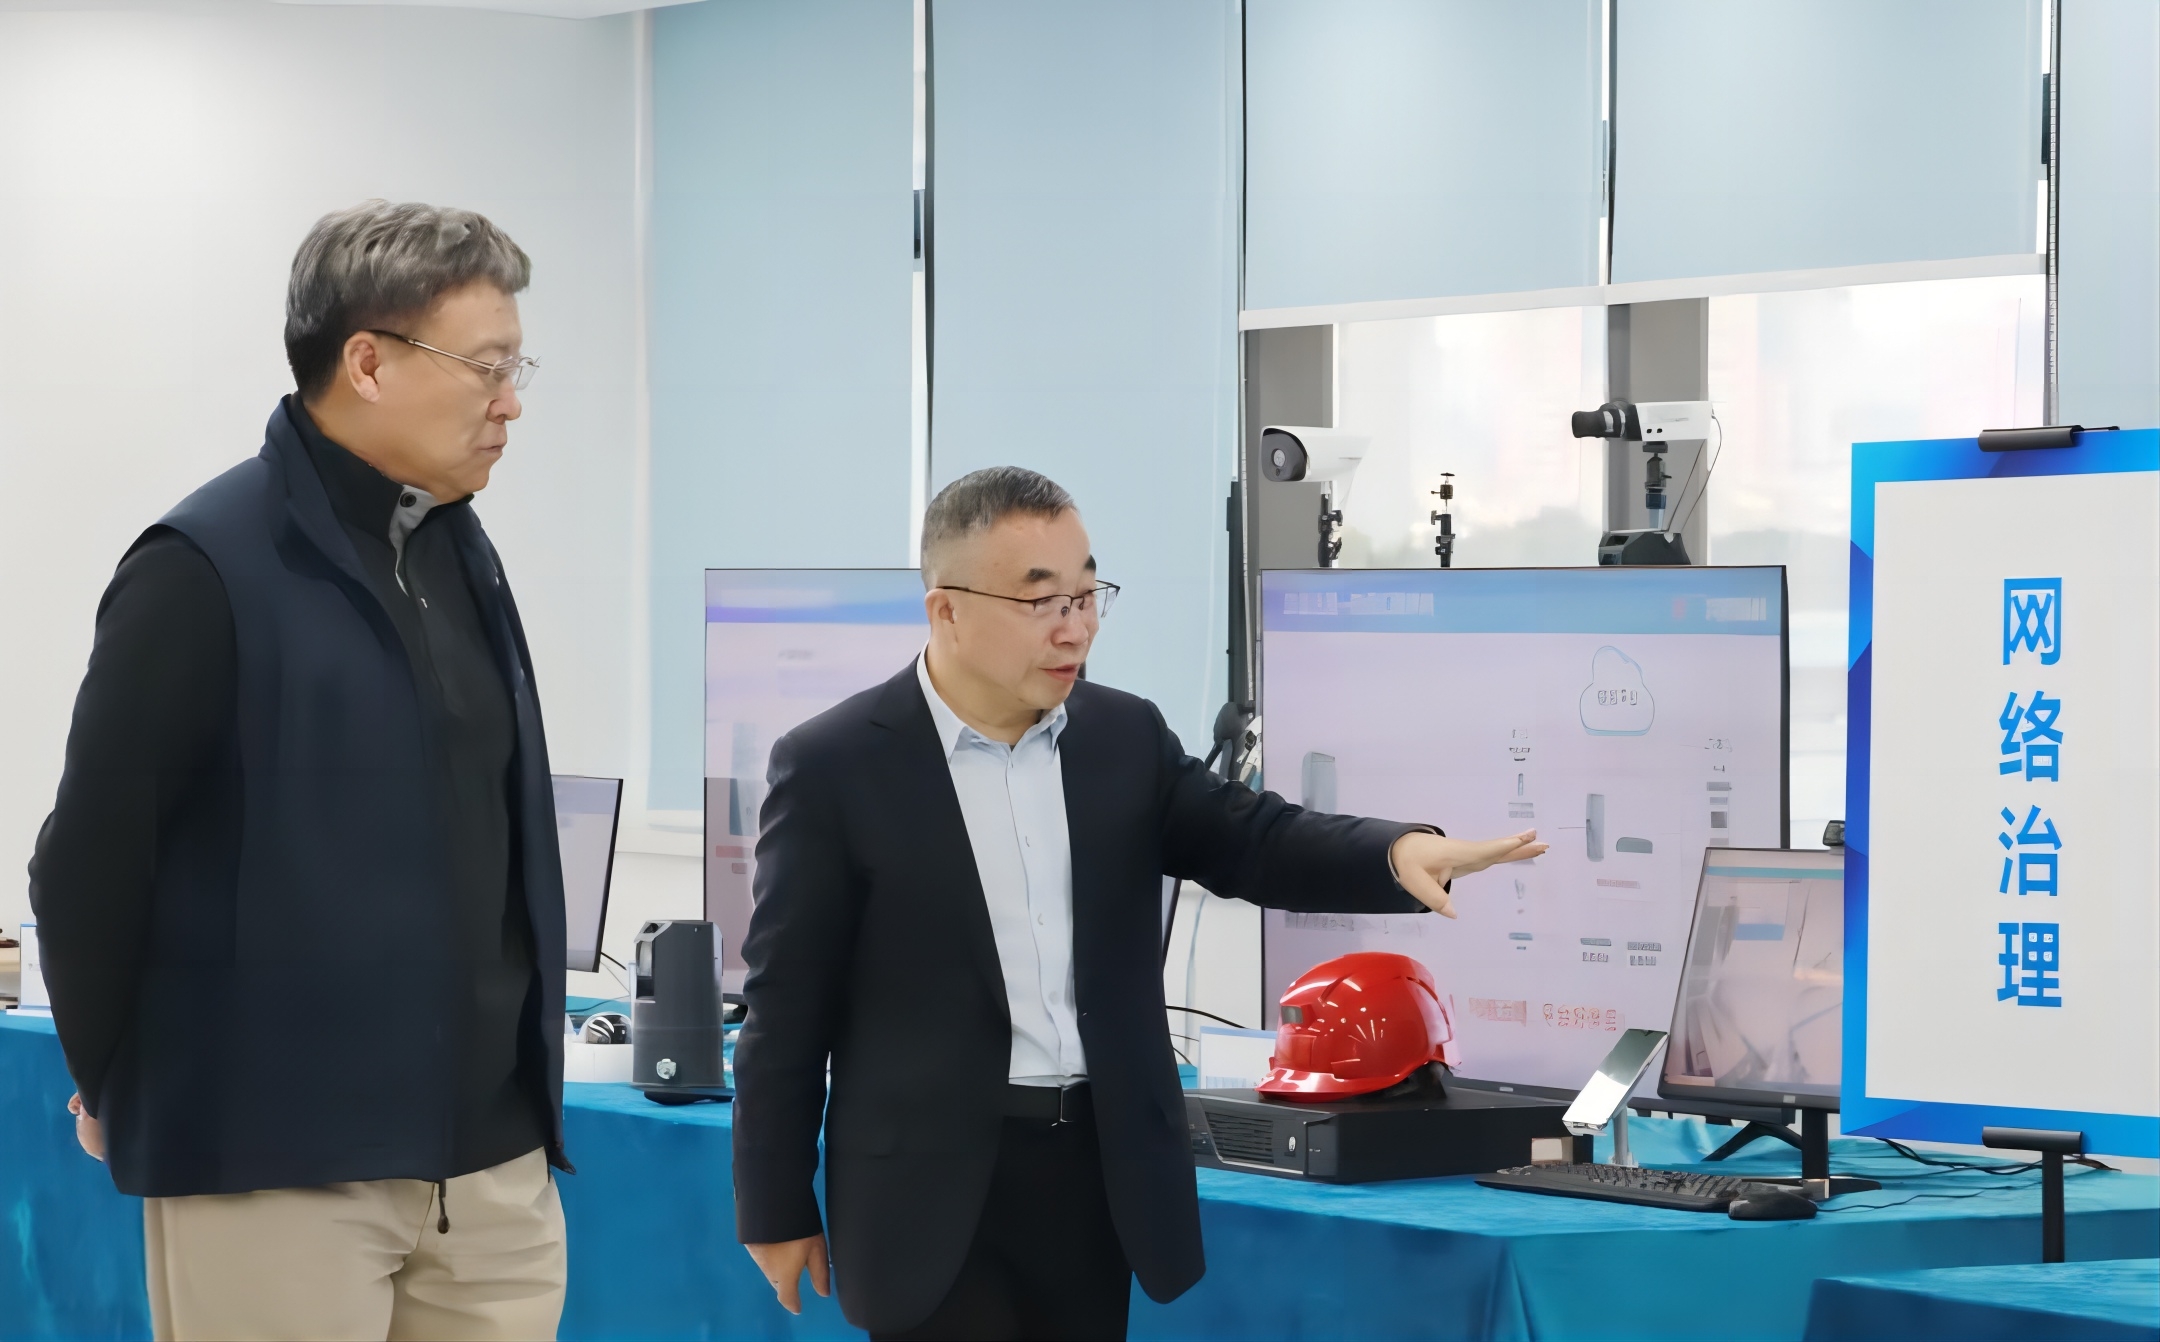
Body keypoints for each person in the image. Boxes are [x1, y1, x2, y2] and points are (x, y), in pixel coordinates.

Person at [733, 467, 1546, 1340]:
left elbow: (1254, 839)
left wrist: (1394, 852)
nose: (1075, 627)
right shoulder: (835, 765)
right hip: (928, 1193)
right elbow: (787, 1004)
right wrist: (774, 1205)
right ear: (948, 611)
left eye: (1087, 596)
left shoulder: (1122, 737)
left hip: (1096, 1175)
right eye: (1041, 602)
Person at [29, 200, 569, 1342]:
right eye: (487, 367)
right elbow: (89, 861)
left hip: (490, 1173)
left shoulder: (459, 550)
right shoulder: (202, 567)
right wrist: (112, 1078)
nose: (511, 402)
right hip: (275, 1164)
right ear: (367, 363)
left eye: (516, 369)